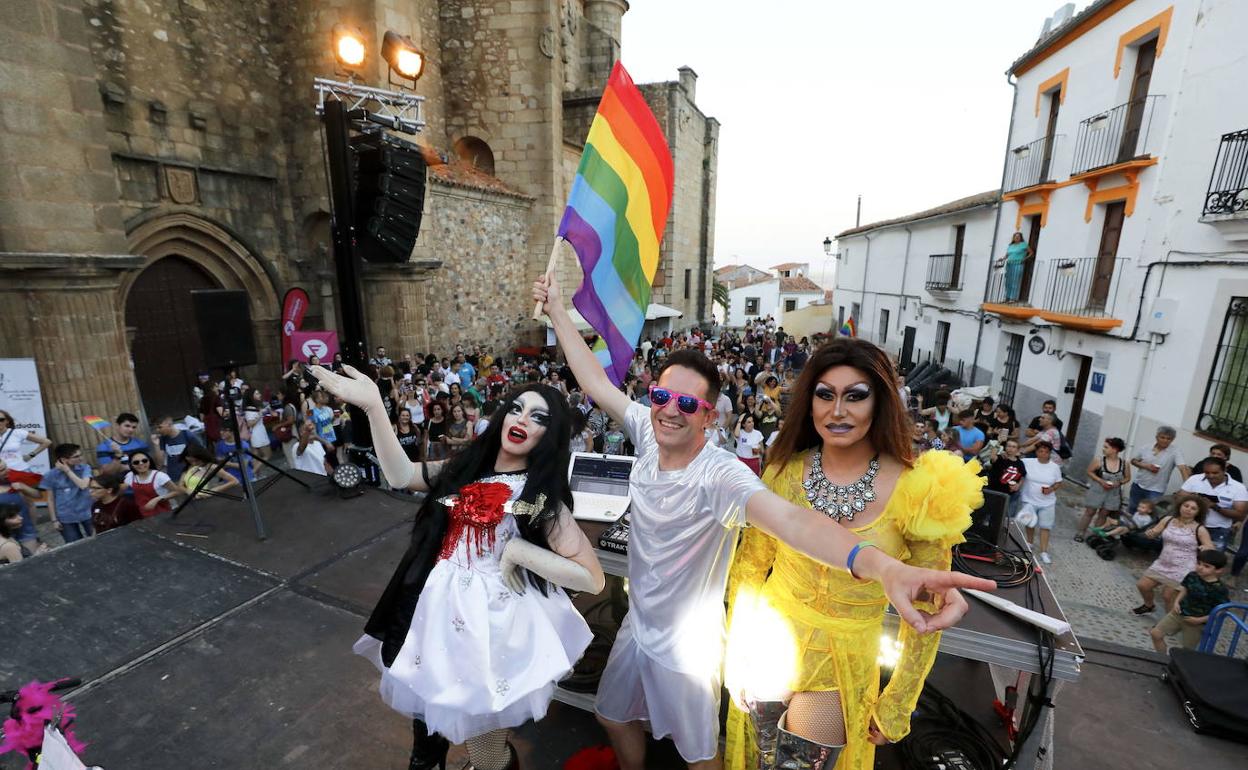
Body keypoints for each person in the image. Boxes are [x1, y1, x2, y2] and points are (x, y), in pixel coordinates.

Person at [535, 274, 993, 770]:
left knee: (744, 757)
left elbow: (793, 524)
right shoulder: (669, 433)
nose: (671, 410)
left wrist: (880, 567)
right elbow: (596, 383)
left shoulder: (724, 475)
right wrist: (559, 309)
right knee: (622, 718)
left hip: (746, 654)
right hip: (750, 646)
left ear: (710, 416)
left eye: (688, 404)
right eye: (662, 398)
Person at [311, 364, 605, 770]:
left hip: (495, 631)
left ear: (547, 437)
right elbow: (400, 475)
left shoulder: (539, 498)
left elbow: (591, 577)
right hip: (434, 616)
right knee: (429, 716)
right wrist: (374, 406)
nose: (522, 419)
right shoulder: (465, 468)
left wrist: (520, 551)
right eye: (517, 409)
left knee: (485, 752)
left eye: (538, 418)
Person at [724, 338, 986, 770]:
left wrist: (899, 699)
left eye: (855, 396)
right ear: (810, 404)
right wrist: (736, 654)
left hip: (841, 664)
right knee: (759, 760)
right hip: (768, 643)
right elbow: (750, 569)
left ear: (880, 402)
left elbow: (927, 611)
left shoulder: (921, 490)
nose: (838, 410)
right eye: (825, 395)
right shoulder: (784, 472)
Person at [1134, 494, 1214, 616]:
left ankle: (1167, 624)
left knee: (1168, 597)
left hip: (1184, 568)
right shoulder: (1168, 520)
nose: (1188, 509)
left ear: (1198, 512)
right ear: (1180, 506)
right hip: (1163, 562)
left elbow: (1210, 548)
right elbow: (1155, 531)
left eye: (1193, 508)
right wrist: (1151, 533)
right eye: (1186, 505)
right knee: (1143, 585)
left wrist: (1206, 547)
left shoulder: (1199, 529)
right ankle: (1149, 605)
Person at [1149, 549, 1230, 652]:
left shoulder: (1219, 589)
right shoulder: (1193, 575)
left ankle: (1177, 665)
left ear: (1218, 570)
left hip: (1196, 623)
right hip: (1178, 613)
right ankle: (1162, 659)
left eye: (1206, 566)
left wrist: (1199, 620)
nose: (1200, 567)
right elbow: (1185, 589)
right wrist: (1176, 602)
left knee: (1188, 651)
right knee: (1156, 634)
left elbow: (1222, 610)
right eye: (1199, 563)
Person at [1179, 457, 1248, 552]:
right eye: (1207, 473)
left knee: (1210, 562)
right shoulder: (1195, 479)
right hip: (1190, 525)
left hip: (1219, 530)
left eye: (1215, 473)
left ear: (1225, 470)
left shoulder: (1238, 488)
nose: (1211, 476)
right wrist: (1195, 499)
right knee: (1182, 555)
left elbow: (1240, 514)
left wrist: (1214, 506)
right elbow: (1179, 498)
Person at [1074, 437, 1130, 542]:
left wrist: (1119, 482)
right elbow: (1089, 471)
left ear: (1115, 449)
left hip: (1113, 493)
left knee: (1103, 514)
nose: (1103, 449)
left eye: (1106, 447)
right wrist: (1101, 481)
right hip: (1097, 490)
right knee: (1089, 512)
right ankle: (1080, 532)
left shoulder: (1124, 464)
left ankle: (1094, 535)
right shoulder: (1099, 460)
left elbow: (1127, 478)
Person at [1128, 426, 1190, 515]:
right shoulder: (1146, 447)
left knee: (1150, 513)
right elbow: (1133, 461)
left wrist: (1188, 487)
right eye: (1162, 437)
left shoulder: (1175, 451)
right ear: (1157, 437)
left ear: (1173, 440)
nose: (1165, 440)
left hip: (1156, 489)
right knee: (1133, 508)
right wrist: (1146, 466)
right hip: (1138, 484)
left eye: (1168, 439)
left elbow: (1182, 468)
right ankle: (1128, 527)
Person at [39, 444, 94, 544]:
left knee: (97, 539)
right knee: (74, 545)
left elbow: (83, 485)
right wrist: (54, 520)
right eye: (76, 456)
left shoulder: (85, 468)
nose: (80, 458)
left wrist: (67, 470)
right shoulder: (50, 475)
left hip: (87, 511)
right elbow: (50, 499)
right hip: (65, 515)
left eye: (81, 455)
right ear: (64, 460)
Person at [1020, 441, 1062, 564]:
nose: (1043, 454)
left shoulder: (1054, 467)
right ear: (1036, 452)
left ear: (1050, 453)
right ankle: (1029, 543)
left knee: (1045, 526)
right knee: (1029, 523)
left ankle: (1044, 551)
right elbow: (1015, 462)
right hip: (1028, 499)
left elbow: (1059, 482)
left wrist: (1052, 489)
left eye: (1046, 452)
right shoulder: (1027, 462)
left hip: (1048, 502)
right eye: (1040, 451)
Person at [124, 449, 182, 517]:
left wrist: (157, 499)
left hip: (163, 514)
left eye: (144, 460)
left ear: (149, 461)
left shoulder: (160, 476)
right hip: (142, 514)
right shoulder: (130, 476)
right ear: (131, 465)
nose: (141, 463)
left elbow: (177, 492)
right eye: (136, 462)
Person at [150, 415, 201, 485]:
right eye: (156, 428)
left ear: (169, 424)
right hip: (174, 477)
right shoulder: (163, 438)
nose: (157, 430)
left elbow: (201, 453)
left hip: (192, 475)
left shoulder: (187, 435)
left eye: (160, 427)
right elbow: (160, 463)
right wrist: (156, 445)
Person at [0, 410, 52, 474]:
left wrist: (30, 455)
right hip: (2, 473)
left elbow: (46, 442)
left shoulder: (17, 433)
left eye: (1, 419)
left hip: (20, 470)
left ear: (7, 421)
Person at [986, 438, 1027, 518]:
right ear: (1005, 447)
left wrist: (1018, 485)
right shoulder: (1000, 458)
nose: (1010, 448)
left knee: (1005, 519)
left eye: (1013, 447)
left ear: (1017, 450)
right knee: (988, 517)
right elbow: (992, 456)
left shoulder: (1020, 463)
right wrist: (999, 441)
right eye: (1009, 446)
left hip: (1009, 497)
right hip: (994, 493)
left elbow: (1023, 475)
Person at [1002, 232, 1033, 302]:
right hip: (1009, 264)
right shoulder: (1011, 246)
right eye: (1015, 236)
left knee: (1015, 281)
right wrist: (1003, 259)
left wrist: (1024, 259)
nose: (1017, 238)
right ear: (1013, 238)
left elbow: (1031, 253)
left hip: (1018, 264)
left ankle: (1013, 298)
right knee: (1008, 281)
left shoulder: (1023, 245)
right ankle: (1007, 297)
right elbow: (1007, 255)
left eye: (1018, 237)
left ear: (1021, 238)